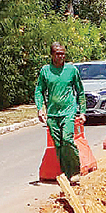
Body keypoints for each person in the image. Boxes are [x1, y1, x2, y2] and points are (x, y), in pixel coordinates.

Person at [35, 42, 86, 185]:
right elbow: (39, 91)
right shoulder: (45, 71)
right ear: (51, 55)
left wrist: (82, 111)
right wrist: (40, 108)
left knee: (67, 139)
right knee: (58, 144)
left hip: (68, 111)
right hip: (52, 114)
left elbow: (80, 92)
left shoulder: (71, 70)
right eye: (58, 54)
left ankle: (75, 171)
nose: (61, 56)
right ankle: (66, 172)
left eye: (63, 53)